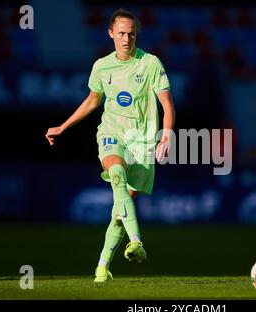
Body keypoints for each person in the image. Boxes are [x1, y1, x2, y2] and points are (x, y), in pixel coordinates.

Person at [45, 8, 175, 283]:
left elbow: (167, 105)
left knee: (119, 213)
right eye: (121, 34)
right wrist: (63, 126)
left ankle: (102, 266)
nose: (126, 39)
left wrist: (166, 135)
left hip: (141, 142)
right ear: (110, 34)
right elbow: (92, 101)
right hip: (111, 133)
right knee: (116, 174)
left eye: (131, 34)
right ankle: (136, 241)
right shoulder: (102, 66)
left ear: (136, 34)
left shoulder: (150, 63)